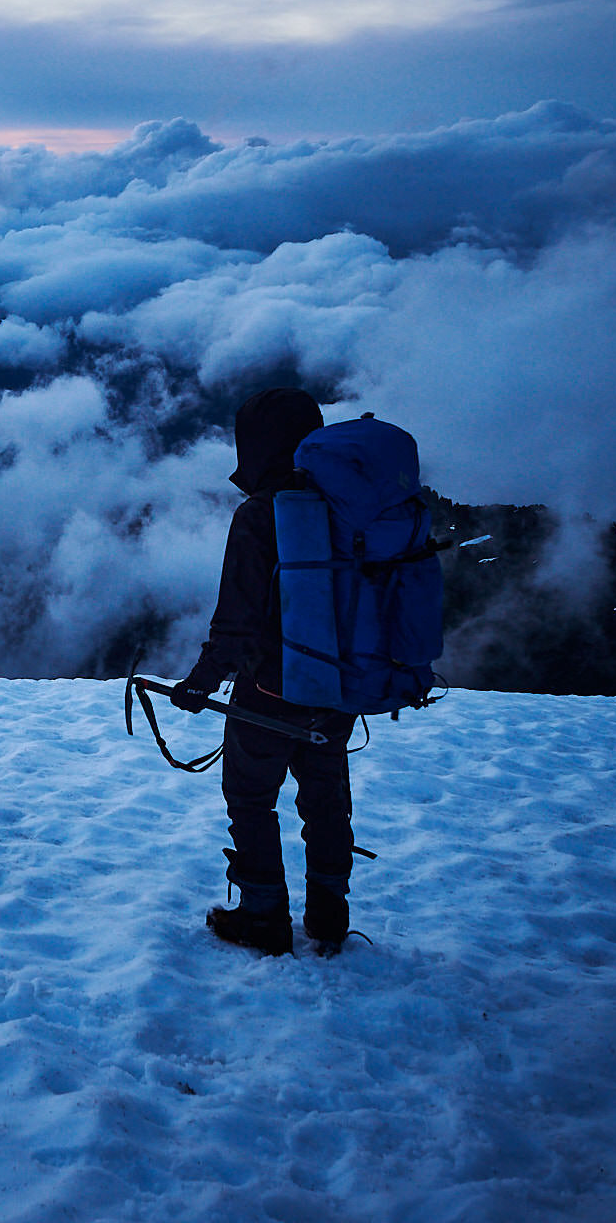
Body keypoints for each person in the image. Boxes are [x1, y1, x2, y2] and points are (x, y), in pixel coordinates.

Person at [171, 387, 358, 957]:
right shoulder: (349, 504)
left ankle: (263, 916)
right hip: (338, 688)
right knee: (325, 799)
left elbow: (238, 618)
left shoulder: (260, 514)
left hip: (268, 691)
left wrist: (202, 682)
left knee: (251, 798)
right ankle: (329, 916)